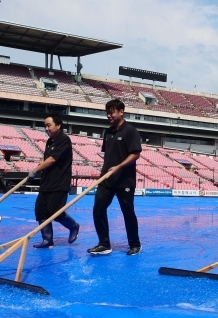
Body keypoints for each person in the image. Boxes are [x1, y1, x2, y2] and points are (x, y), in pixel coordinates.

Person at [88, 99, 142, 256]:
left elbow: (135, 154)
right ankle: (104, 244)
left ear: (121, 112)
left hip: (124, 179)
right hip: (107, 179)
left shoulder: (130, 131)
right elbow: (108, 155)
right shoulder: (108, 132)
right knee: (98, 209)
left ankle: (135, 244)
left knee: (127, 212)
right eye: (107, 113)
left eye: (112, 112)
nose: (109, 115)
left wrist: (119, 167)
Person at [27, 114, 80, 249]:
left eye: (49, 125)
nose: (46, 128)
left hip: (59, 183)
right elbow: (46, 159)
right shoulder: (49, 141)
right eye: (45, 125)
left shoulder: (64, 139)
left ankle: (73, 226)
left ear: (58, 125)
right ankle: (47, 239)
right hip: (47, 182)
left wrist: (36, 170)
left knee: (55, 211)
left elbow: (52, 159)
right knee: (40, 211)